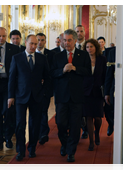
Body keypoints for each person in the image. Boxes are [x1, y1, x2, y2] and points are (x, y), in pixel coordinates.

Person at [51, 29, 91, 162]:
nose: (66, 43)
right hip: (61, 96)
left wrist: (75, 69)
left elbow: (88, 72)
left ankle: (71, 151)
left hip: (77, 96)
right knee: (61, 123)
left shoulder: (83, 55)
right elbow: (52, 74)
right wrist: (62, 70)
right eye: (64, 40)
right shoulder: (57, 56)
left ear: (74, 40)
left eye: (69, 40)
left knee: (75, 125)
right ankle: (64, 144)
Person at [8, 34, 50, 161]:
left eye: (35, 44)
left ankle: (32, 148)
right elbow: (12, 78)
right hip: (20, 96)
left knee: (35, 124)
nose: (33, 46)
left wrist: (44, 93)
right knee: (20, 124)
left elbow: (47, 77)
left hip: (37, 96)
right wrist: (10, 96)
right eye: (31, 43)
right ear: (25, 43)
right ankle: (20, 150)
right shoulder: (17, 58)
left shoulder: (42, 58)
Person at [82, 39, 107, 151]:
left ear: (96, 47)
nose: (89, 49)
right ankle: (91, 141)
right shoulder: (82, 60)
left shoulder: (102, 59)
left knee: (97, 117)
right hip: (86, 92)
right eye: (87, 47)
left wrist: (106, 92)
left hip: (98, 91)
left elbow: (106, 76)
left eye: (91, 46)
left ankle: (97, 133)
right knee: (88, 116)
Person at [36, 33, 55, 145]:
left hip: (46, 88)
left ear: (45, 41)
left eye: (42, 40)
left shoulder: (51, 54)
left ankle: (43, 134)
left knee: (43, 111)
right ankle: (38, 132)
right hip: (33, 89)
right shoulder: (29, 53)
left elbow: (52, 70)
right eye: (38, 40)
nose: (39, 42)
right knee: (36, 112)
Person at [75, 24, 88, 139]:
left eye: (81, 31)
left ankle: (85, 128)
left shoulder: (88, 46)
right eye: (77, 31)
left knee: (85, 107)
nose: (79, 33)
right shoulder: (71, 46)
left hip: (86, 81)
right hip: (76, 83)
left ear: (84, 32)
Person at [104, 47, 116, 136]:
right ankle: (111, 123)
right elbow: (109, 74)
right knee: (108, 109)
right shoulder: (112, 52)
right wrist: (106, 92)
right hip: (113, 87)